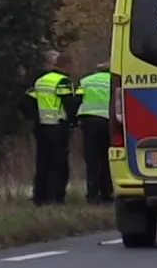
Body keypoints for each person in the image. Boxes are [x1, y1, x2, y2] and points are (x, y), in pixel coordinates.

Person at [27, 51, 76, 205]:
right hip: (57, 127)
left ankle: (40, 197)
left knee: (42, 163)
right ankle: (56, 197)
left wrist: (36, 117)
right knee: (59, 164)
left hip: (41, 127)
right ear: (65, 66)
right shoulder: (63, 81)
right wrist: (73, 122)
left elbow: (25, 103)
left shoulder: (41, 80)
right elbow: (69, 104)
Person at [76, 60, 114, 204]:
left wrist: (74, 120)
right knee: (107, 159)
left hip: (90, 122)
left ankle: (92, 194)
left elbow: (77, 100)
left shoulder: (85, 81)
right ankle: (107, 194)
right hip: (108, 122)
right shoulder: (114, 81)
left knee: (92, 159)